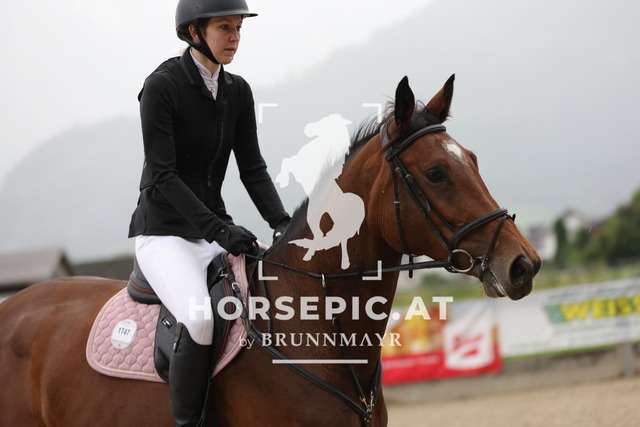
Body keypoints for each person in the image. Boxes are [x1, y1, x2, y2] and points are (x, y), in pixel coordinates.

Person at [127, 0, 290, 425]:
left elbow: (253, 168)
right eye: (224, 27)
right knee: (200, 318)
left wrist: (283, 223)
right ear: (194, 32)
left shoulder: (237, 91)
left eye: (238, 28)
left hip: (212, 231)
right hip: (163, 233)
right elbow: (163, 176)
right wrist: (220, 230)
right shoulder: (161, 87)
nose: (235, 37)